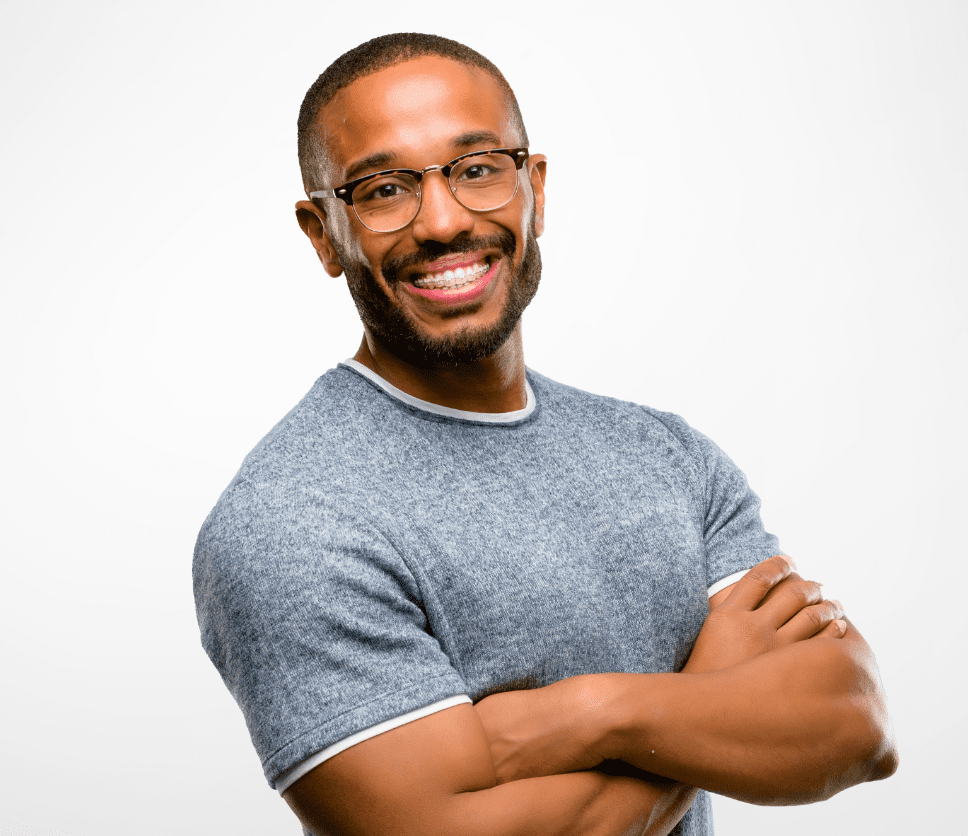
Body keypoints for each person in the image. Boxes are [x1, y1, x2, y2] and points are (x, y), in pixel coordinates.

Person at [193, 32, 897, 836]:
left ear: (535, 187)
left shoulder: (664, 456)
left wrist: (597, 711)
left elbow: (855, 727)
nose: (444, 220)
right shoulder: (292, 523)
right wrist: (708, 695)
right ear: (324, 234)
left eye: (478, 168)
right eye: (385, 188)